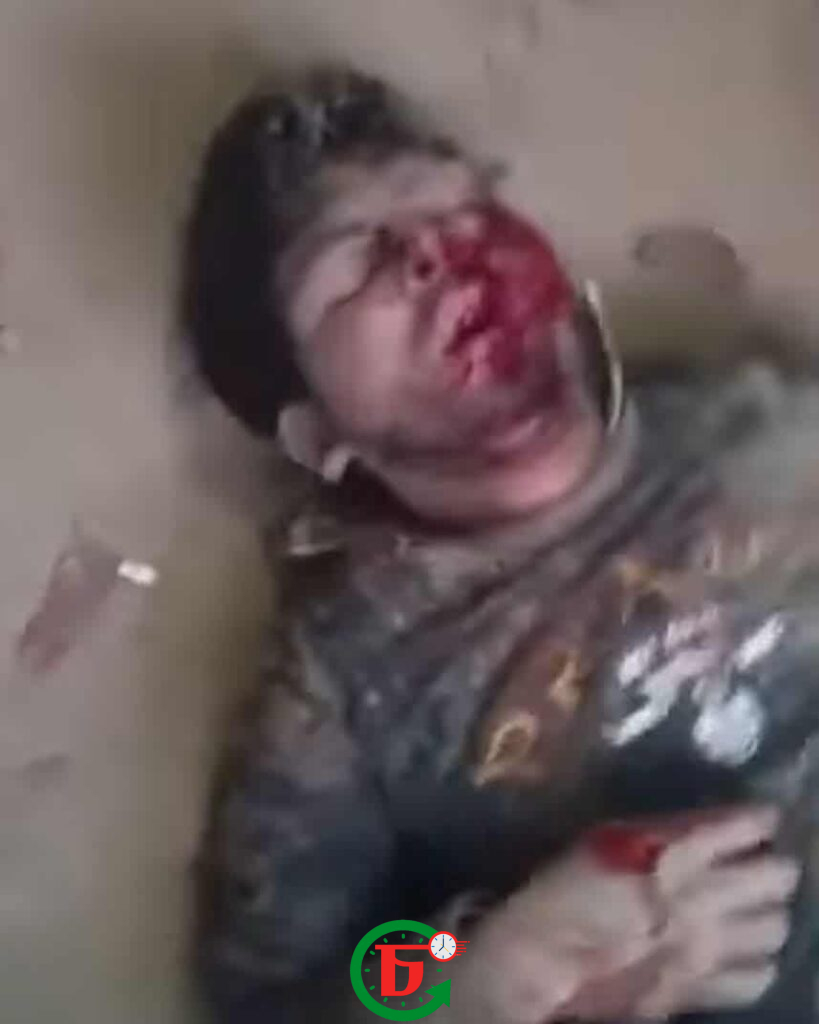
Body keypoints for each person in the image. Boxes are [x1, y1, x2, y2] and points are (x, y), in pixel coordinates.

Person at [183, 71, 819, 1023]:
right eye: (352, 267)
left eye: (463, 208)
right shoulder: (345, 682)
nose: (435, 253)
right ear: (318, 434)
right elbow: (278, 1003)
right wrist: (470, 962)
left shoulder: (768, 424)